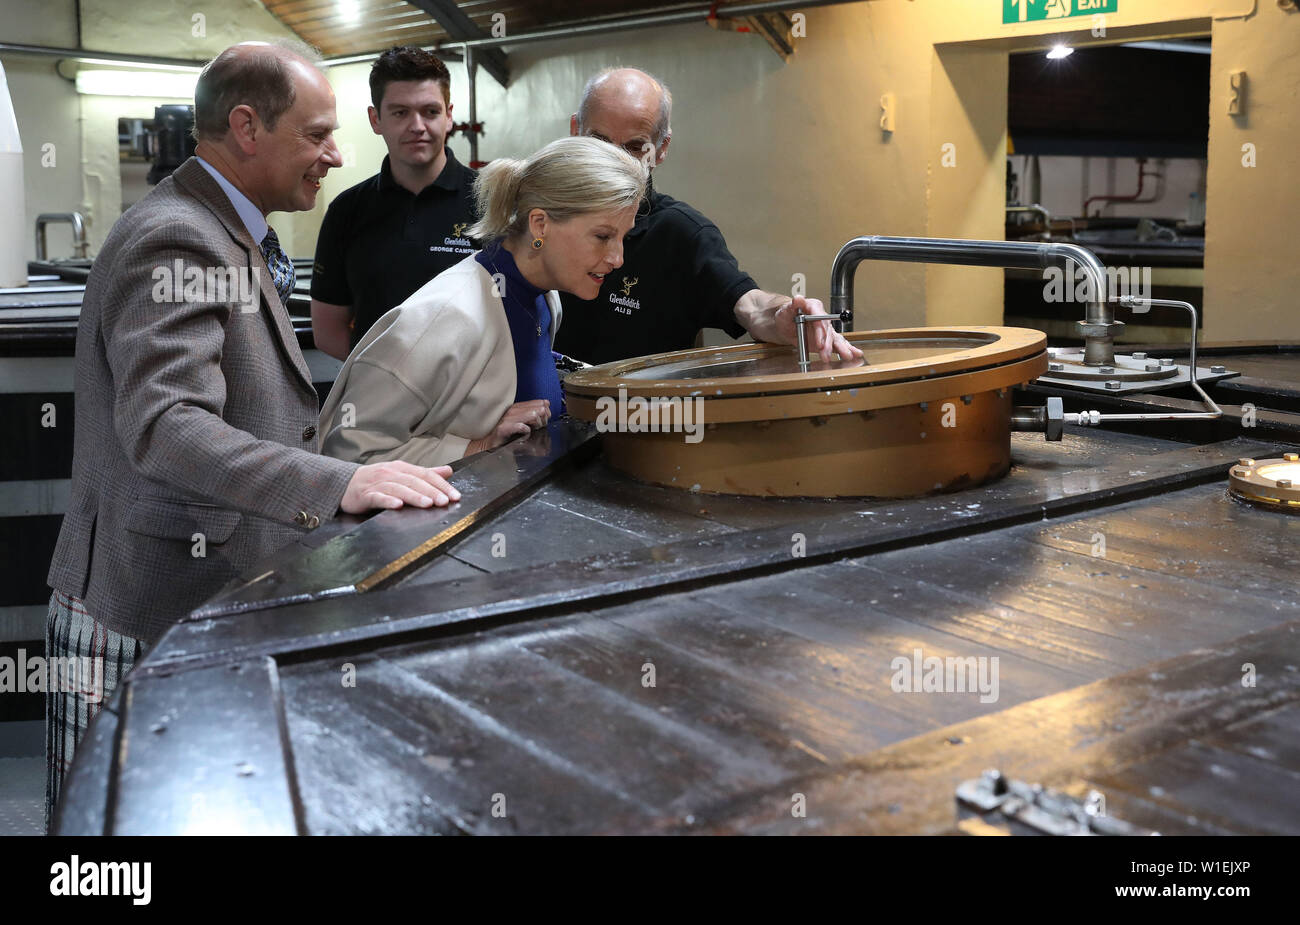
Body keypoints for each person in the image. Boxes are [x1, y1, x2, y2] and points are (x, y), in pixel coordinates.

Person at [43, 40, 461, 827]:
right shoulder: (179, 236)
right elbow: (167, 426)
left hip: (201, 594)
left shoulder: (231, 228)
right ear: (246, 127)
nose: (335, 155)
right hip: (144, 604)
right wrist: (336, 483)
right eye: (316, 134)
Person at [319, 136, 646, 466]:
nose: (618, 258)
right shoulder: (444, 318)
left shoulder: (545, 299)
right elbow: (347, 453)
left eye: (623, 237)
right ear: (540, 225)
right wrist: (477, 447)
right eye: (603, 236)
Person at [557, 67, 861, 367]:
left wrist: (785, 315)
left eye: (635, 147)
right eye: (599, 141)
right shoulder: (539, 211)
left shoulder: (682, 234)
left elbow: (749, 304)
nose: (613, 160)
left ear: (661, 149)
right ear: (575, 130)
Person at [310, 46, 478, 359]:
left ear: (449, 116)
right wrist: (389, 383)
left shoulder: (490, 202)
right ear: (376, 119)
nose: (417, 126)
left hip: (476, 402)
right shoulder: (346, 211)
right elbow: (327, 330)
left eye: (430, 111)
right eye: (400, 112)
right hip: (376, 400)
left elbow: (520, 317)